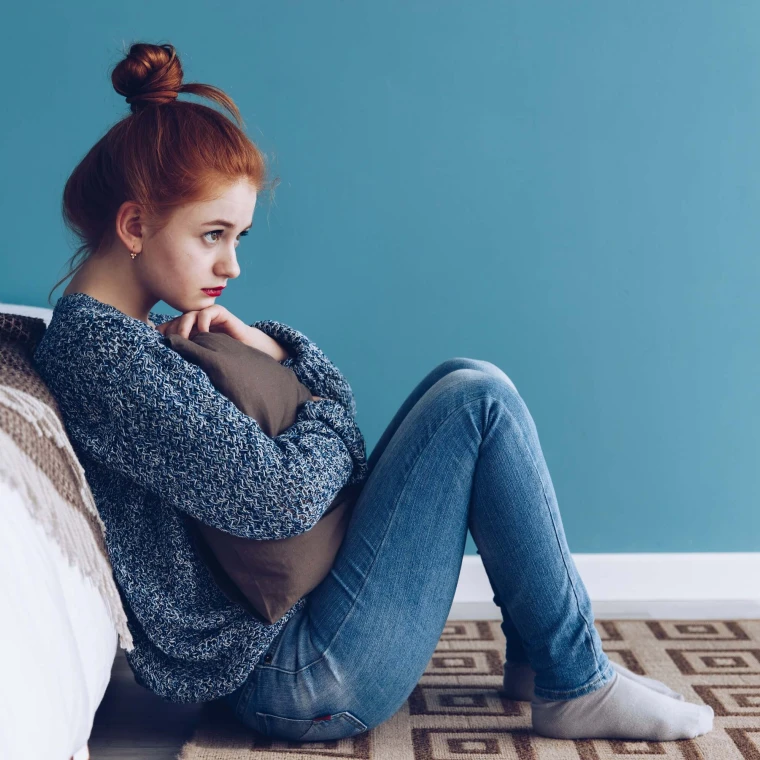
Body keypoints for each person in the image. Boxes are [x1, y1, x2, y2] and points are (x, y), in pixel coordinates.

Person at [33, 41, 713, 744]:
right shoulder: (104, 357)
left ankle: (549, 661)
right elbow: (281, 498)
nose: (231, 264)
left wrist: (271, 350)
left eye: (238, 236)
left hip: (298, 633)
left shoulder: (132, 337)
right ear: (136, 225)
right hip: (290, 675)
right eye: (213, 235)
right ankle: (574, 680)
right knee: (477, 400)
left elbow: (299, 465)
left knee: (463, 379)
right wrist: (326, 416)